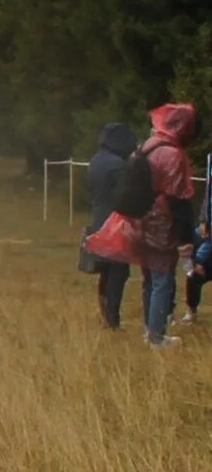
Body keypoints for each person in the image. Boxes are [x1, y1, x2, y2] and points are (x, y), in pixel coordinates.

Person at [134, 104, 202, 348]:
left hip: (140, 221)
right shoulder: (173, 153)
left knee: (149, 279)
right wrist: (186, 238)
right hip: (161, 223)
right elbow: (178, 198)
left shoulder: (148, 145)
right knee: (162, 279)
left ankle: (149, 330)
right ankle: (156, 336)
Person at [85, 122, 139, 329]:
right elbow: (125, 194)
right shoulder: (117, 164)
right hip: (114, 224)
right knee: (118, 271)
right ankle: (112, 318)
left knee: (105, 270)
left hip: (98, 220)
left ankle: (105, 314)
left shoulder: (96, 160)